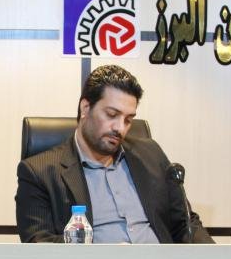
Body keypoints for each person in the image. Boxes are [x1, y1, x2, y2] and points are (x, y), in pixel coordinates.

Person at [16, 64, 213, 244]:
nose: (120, 128)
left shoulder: (150, 153)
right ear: (85, 108)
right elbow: (39, 244)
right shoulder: (39, 172)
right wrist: (108, 256)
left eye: (128, 119)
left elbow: (185, 223)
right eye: (111, 115)